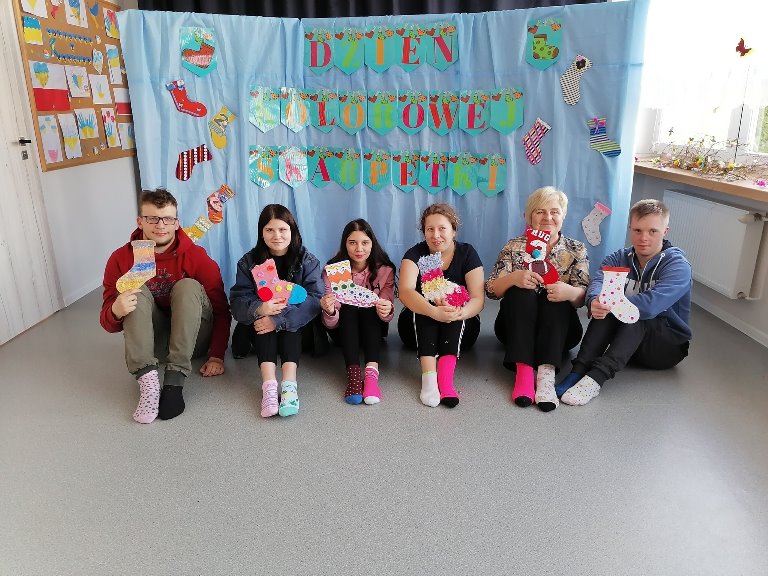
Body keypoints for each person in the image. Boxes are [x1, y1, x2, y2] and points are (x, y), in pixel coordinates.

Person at [100, 189, 231, 424]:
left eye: (168, 219)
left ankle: (174, 383)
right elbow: (108, 323)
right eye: (152, 218)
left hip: (194, 342)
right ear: (140, 221)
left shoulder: (196, 256)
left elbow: (221, 310)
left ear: (177, 223)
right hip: (154, 345)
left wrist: (217, 356)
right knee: (136, 291)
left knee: (188, 286)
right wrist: (115, 311)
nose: (161, 225)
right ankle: (148, 384)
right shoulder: (121, 259)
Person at [557, 199, 692, 406]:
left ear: (665, 231)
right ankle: (578, 371)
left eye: (652, 231)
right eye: (637, 230)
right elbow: (598, 281)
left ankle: (596, 378)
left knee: (638, 313)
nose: (643, 238)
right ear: (630, 229)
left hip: (665, 348)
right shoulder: (619, 258)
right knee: (606, 303)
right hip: (628, 345)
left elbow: (651, 305)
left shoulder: (678, 265)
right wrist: (594, 300)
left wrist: (611, 303)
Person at [486, 186, 590, 411]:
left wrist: (570, 292)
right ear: (529, 216)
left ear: (563, 215)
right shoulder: (514, 246)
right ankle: (523, 374)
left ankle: (546, 377)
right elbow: (491, 290)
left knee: (555, 296)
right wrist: (514, 278)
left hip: (560, 333)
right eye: (540, 211)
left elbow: (583, 298)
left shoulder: (576, 249)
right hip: (514, 330)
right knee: (520, 291)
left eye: (554, 212)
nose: (547, 218)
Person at [229, 204, 323, 418]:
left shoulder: (307, 260)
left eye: (282, 229)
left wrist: (279, 319)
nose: (277, 236)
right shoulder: (249, 262)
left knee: (287, 316)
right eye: (269, 230)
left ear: (292, 231)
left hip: (299, 331)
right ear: (261, 233)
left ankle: (289, 386)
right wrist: (260, 307)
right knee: (265, 316)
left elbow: (314, 299)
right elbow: (238, 301)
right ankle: (269, 388)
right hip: (260, 329)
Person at [398, 203, 485, 408]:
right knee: (422, 300)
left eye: (442, 228)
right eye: (430, 229)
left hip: (461, 331)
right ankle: (429, 379)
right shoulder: (415, 254)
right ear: (424, 232)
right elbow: (405, 291)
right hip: (416, 331)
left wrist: (459, 312)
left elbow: (478, 299)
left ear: (453, 231)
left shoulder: (467, 253)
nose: (436, 235)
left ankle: (445, 381)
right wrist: (434, 312)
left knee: (455, 305)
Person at [320, 219, 396, 405]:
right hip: (343, 331)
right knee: (349, 305)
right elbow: (331, 323)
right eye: (352, 242)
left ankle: (371, 375)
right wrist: (329, 310)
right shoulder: (333, 270)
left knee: (370, 303)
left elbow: (386, 313)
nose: (359, 249)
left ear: (372, 243)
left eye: (365, 242)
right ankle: (353, 375)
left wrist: (386, 308)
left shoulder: (385, 270)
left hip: (373, 330)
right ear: (345, 244)